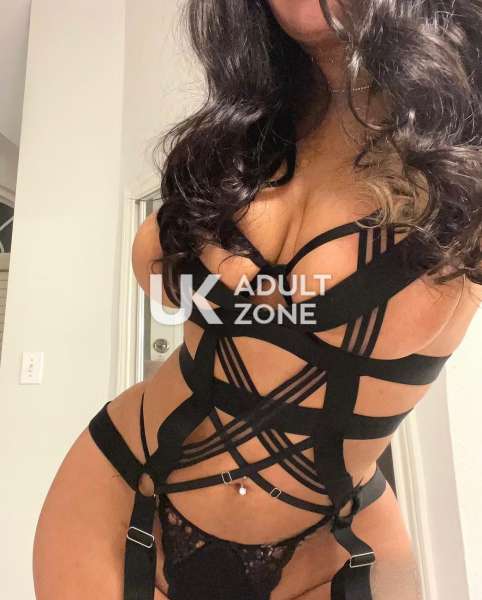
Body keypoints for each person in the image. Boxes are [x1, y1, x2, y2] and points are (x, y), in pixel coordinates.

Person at [33, 1, 482, 599]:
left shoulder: (468, 155)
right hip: (127, 486)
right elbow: (163, 276)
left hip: (329, 550)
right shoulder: (241, 142)